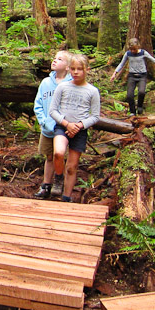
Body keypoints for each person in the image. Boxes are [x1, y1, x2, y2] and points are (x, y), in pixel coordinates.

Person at [49, 54, 100, 203]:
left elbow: (95, 116)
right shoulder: (63, 87)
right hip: (62, 126)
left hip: (80, 131)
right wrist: (67, 124)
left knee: (72, 166)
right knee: (58, 153)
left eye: (79, 69)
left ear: (87, 70)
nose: (76, 72)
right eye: (73, 69)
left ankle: (66, 197)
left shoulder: (92, 91)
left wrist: (80, 125)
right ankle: (58, 178)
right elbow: (53, 110)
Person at [33, 51, 73, 199]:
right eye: (54, 58)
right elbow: (38, 104)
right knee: (49, 156)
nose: (55, 61)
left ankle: (60, 182)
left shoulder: (70, 84)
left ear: (68, 67)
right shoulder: (45, 83)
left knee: (60, 155)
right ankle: (46, 186)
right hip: (47, 128)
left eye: (60, 59)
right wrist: (43, 121)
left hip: (63, 127)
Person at [111, 38, 155, 116]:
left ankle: (139, 106)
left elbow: (153, 59)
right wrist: (114, 73)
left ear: (138, 47)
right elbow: (121, 64)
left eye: (134, 49)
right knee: (129, 95)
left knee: (141, 92)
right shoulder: (128, 54)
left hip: (142, 75)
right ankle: (132, 111)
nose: (133, 51)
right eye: (131, 49)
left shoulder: (143, 52)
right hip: (132, 76)